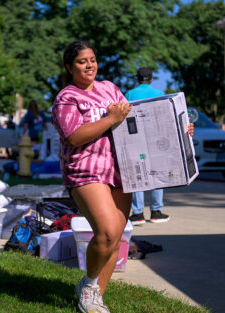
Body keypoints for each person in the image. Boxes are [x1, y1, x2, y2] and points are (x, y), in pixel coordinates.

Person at [52, 40, 133, 313]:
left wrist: (178, 128)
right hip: (86, 170)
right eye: (82, 61)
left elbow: (136, 120)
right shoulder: (67, 97)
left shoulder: (110, 89)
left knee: (115, 239)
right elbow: (73, 137)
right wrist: (110, 119)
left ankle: (94, 297)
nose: (90, 65)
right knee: (106, 231)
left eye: (93, 59)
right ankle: (88, 287)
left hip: (121, 171)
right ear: (69, 67)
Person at [124, 67, 168, 225]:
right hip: (155, 139)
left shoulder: (129, 94)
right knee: (157, 173)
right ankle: (156, 211)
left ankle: (138, 214)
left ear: (137, 79)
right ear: (151, 79)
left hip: (136, 139)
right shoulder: (159, 94)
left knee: (138, 174)